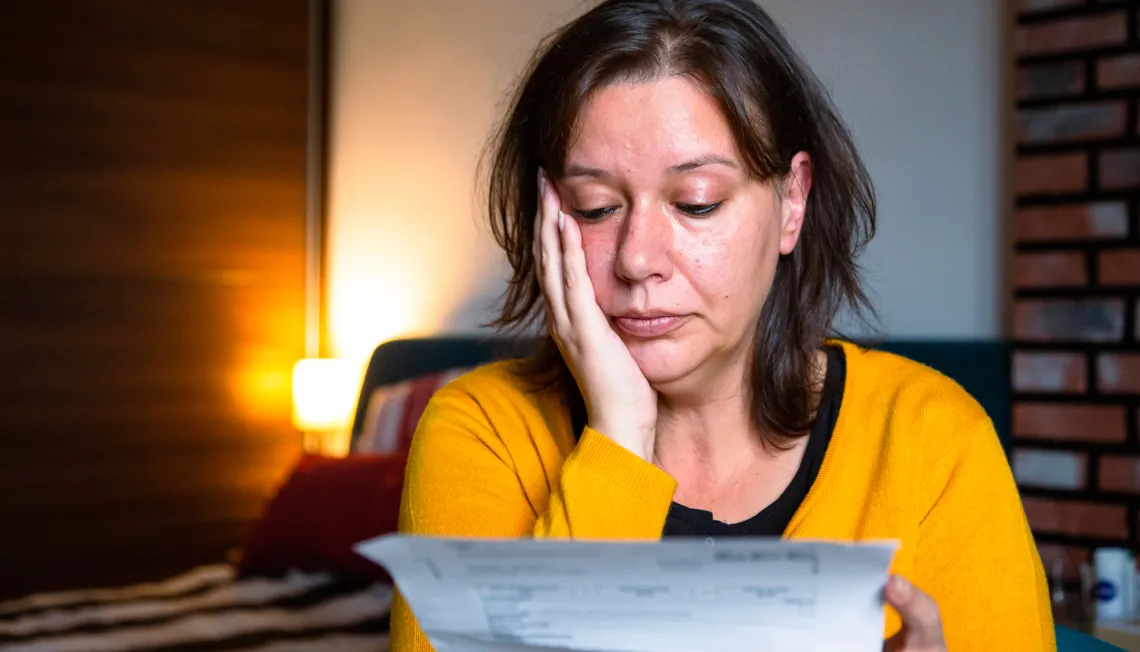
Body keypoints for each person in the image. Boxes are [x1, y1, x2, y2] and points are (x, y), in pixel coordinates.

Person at [390, 0, 1054, 650]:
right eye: (595, 208)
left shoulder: (933, 442)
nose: (638, 258)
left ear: (792, 201)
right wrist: (620, 436)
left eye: (696, 203)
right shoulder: (480, 432)